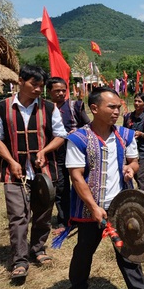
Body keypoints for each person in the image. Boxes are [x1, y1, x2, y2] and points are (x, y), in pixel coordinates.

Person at [64, 87, 144, 289]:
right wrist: (93, 207)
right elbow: (76, 176)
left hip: (121, 205)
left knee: (128, 250)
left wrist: (131, 168)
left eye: (119, 107)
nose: (117, 111)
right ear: (94, 108)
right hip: (92, 207)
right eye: (111, 106)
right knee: (85, 250)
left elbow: (134, 161)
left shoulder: (126, 135)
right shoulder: (78, 139)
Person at [0, 65, 66, 280]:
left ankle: (38, 250)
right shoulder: (1, 107)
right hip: (13, 171)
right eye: (34, 84)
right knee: (17, 216)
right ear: (21, 81)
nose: (37, 90)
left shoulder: (49, 108)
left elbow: (60, 135)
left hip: (43, 172)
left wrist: (45, 150)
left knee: (42, 215)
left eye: (41, 86)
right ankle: (19, 260)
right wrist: (11, 161)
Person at [46, 77, 90, 233]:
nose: (61, 93)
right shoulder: (46, 109)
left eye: (63, 90)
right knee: (61, 185)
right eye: (57, 90)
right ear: (48, 91)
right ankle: (65, 219)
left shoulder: (74, 106)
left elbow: (88, 125)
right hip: (55, 153)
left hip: (75, 151)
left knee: (81, 182)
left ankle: (84, 213)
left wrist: (76, 132)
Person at [122, 93, 144, 194]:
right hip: (130, 150)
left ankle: (143, 198)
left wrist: (141, 134)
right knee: (135, 174)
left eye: (139, 101)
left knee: (140, 176)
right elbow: (124, 131)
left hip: (143, 150)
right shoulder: (128, 117)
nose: (136, 103)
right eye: (135, 101)